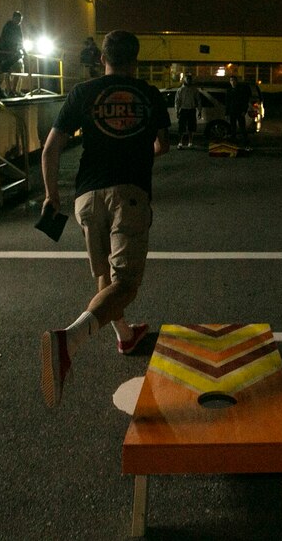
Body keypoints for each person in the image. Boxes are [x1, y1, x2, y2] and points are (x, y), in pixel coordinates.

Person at [39, 30, 171, 409]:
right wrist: (138, 151)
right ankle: (69, 340)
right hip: (127, 194)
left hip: (86, 197)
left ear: (102, 59)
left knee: (105, 278)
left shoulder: (83, 92)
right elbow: (162, 145)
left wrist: (52, 195)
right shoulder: (149, 94)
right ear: (136, 60)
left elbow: (51, 149)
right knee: (126, 284)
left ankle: (125, 334)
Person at [0, 11, 25, 97]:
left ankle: (13, 89)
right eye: (17, 19)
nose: (18, 21)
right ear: (14, 18)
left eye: (20, 20)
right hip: (7, 52)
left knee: (18, 70)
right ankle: (9, 90)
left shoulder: (18, 28)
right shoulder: (8, 26)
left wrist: (22, 49)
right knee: (8, 71)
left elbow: (20, 39)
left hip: (15, 52)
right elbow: (5, 39)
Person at [173, 74, 201, 149]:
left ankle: (190, 142)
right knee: (181, 127)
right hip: (183, 110)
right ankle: (180, 143)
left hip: (192, 110)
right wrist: (177, 111)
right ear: (184, 80)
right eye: (187, 79)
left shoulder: (194, 90)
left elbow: (198, 101)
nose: (188, 80)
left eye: (189, 79)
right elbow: (177, 101)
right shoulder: (181, 90)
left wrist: (199, 110)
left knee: (191, 127)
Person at [225, 74, 252, 146]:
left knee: (242, 127)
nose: (232, 82)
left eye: (234, 80)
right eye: (231, 80)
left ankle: (245, 141)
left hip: (240, 111)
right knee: (232, 127)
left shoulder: (241, 90)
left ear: (236, 81)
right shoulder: (229, 90)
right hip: (232, 111)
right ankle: (233, 141)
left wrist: (244, 110)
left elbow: (245, 101)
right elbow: (227, 102)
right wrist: (227, 113)